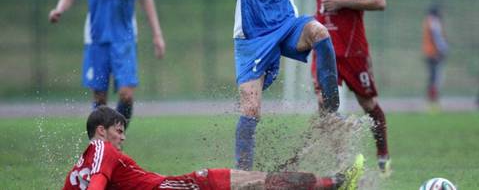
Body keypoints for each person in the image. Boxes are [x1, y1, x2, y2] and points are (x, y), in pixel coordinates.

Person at [196, 0, 380, 171]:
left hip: (286, 25)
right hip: (252, 37)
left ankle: (330, 112)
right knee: (251, 111)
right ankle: (244, 176)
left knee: (319, 32)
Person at [62, 106, 365, 190]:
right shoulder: (102, 150)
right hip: (181, 186)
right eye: (118, 131)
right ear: (100, 131)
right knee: (257, 181)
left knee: (258, 182)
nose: (122, 139)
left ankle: (333, 183)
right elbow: (98, 183)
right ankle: (335, 183)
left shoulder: (78, 169)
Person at [310, 0, 390, 175]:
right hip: (325, 51)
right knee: (324, 104)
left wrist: (344, 2)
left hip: (354, 51)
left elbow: (379, 2)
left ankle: (383, 157)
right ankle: (342, 161)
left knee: (368, 105)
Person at [422, 5, 449, 106]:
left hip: (429, 52)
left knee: (432, 76)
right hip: (435, 53)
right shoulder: (434, 22)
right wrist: (443, 49)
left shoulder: (427, 21)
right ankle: (433, 98)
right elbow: (437, 38)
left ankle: (431, 98)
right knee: (436, 77)